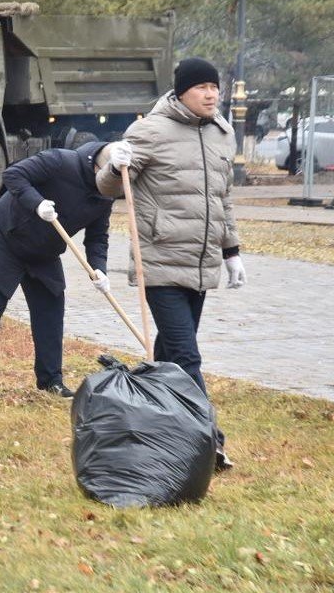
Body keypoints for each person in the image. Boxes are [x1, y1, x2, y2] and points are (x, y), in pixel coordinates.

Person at [97, 56, 245, 471]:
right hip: (159, 261)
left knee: (167, 358)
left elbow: (223, 200)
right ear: (182, 92)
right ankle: (209, 440)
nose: (212, 94)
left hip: (200, 265)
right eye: (202, 87)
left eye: (215, 87)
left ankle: (150, 423)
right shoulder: (149, 131)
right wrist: (114, 163)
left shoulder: (221, 133)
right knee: (187, 356)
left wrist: (231, 253)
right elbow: (109, 187)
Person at [0, 141, 114, 401]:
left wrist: (100, 270)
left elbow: (97, 238)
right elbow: (13, 175)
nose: (111, 193)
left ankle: (50, 380)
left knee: (51, 313)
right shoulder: (60, 162)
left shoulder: (105, 195)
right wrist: (37, 202)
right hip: (5, 239)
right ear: (99, 168)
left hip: (44, 252)